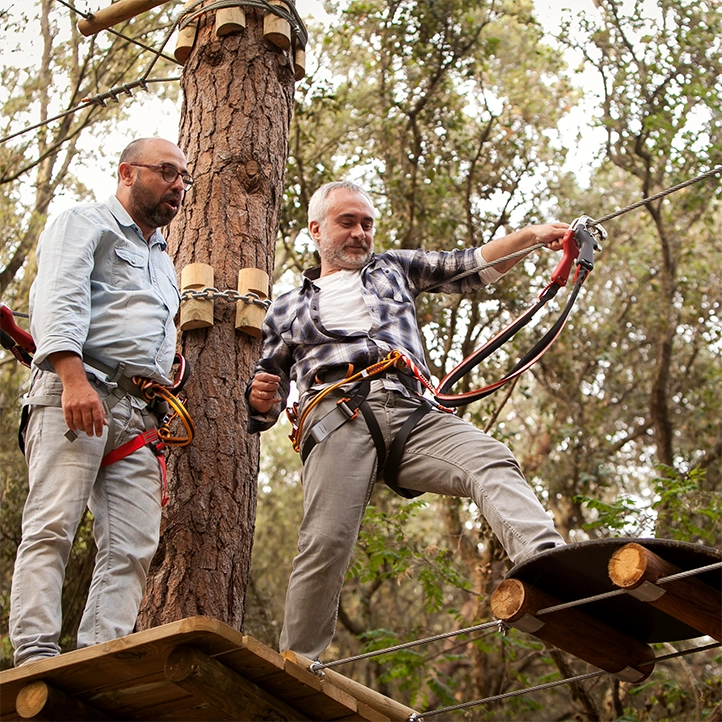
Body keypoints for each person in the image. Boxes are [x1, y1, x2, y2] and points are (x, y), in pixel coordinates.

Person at [247, 180, 569, 661]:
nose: (360, 233)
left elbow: (471, 266)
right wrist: (260, 397)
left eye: (367, 224)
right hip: (338, 414)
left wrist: (534, 235)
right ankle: (297, 662)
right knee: (326, 539)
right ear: (316, 230)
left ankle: (548, 566)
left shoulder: (392, 269)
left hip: (412, 409)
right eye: (347, 222)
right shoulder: (286, 308)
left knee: (490, 460)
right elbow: (265, 404)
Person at [9, 137, 190, 667]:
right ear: (127, 173)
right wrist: (71, 378)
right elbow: (58, 295)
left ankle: (100, 657)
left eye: (184, 178)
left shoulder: (164, 261)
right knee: (52, 525)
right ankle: (36, 653)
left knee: (134, 544)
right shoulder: (84, 223)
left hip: (137, 413)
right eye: (167, 172)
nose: (178, 185)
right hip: (77, 392)